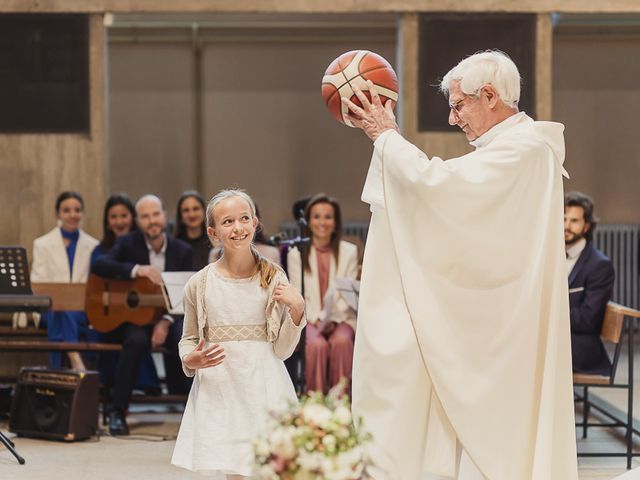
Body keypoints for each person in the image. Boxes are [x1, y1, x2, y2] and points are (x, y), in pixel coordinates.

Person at [343, 50, 577, 479]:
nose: (453, 119)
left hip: (502, 327)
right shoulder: (515, 147)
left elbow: (438, 191)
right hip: (497, 320)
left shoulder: (523, 150)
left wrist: (387, 137)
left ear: (489, 95)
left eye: (458, 105)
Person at [171, 189, 305, 478]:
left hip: (263, 379)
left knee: (268, 464)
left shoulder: (273, 276)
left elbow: (282, 350)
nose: (238, 227)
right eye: (228, 221)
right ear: (213, 232)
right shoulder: (199, 284)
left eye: (244, 218)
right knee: (234, 464)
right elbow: (189, 338)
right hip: (221, 381)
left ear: (255, 224)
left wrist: (297, 311)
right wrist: (190, 359)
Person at [92, 194, 193, 435]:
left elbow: (186, 295)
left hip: (170, 318)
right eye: (145, 216)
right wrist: (137, 269)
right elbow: (100, 265)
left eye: (156, 214)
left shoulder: (182, 250)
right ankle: (118, 411)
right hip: (136, 318)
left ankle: (196, 411)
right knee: (135, 341)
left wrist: (166, 323)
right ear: (138, 221)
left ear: (165, 215)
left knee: (186, 339)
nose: (152, 221)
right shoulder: (127, 244)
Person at [287, 194, 358, 394]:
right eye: (317, 216)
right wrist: (316, 319)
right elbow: (298, 294)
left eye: (328, 217)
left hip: (341, 318)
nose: (322, 222)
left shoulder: (349, 252)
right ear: (309, 222)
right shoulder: (297, 254)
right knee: (317, 345)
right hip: (310, 318)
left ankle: (341, 403)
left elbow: (347, 292)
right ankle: (315, 403)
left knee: (342, 342)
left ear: (335, 223)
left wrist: (332, 320)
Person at [90, 193, 159, 392]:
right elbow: (96, 274)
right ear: (107, 221)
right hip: (109, 313)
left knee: (137, 334)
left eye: (124, 216)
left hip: (137, 315)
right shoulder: (102, 250)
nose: (119, 221)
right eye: (114, 217)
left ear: (133, 219)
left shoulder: (143, 247)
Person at [31, 191, 99, 370]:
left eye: (77, 210)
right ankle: (76, 360)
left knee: (65, 312)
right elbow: (37, 283)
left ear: (82, 214)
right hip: (49, 309)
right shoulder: (42, 244)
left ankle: (59, 372)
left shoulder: (93, 246)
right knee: (60, 311)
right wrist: (60, 300)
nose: (72, 215)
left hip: (81, 311)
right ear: (58, 214)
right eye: (66, 210)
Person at [565, 191, 615, 374]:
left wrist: (551, 315)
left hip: (579, 347)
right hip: (559, 338)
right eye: (564, 219)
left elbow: (588, 320)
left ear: (586, 226)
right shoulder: (552, 258)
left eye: (574, 221)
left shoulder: (599, 265)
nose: (566, 226)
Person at [175, 190, 211, 270]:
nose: (191, 214)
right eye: (186, 210)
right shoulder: (174, 246)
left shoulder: (215, 242)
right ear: (180, 216)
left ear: (204, 211)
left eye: (196, 209)